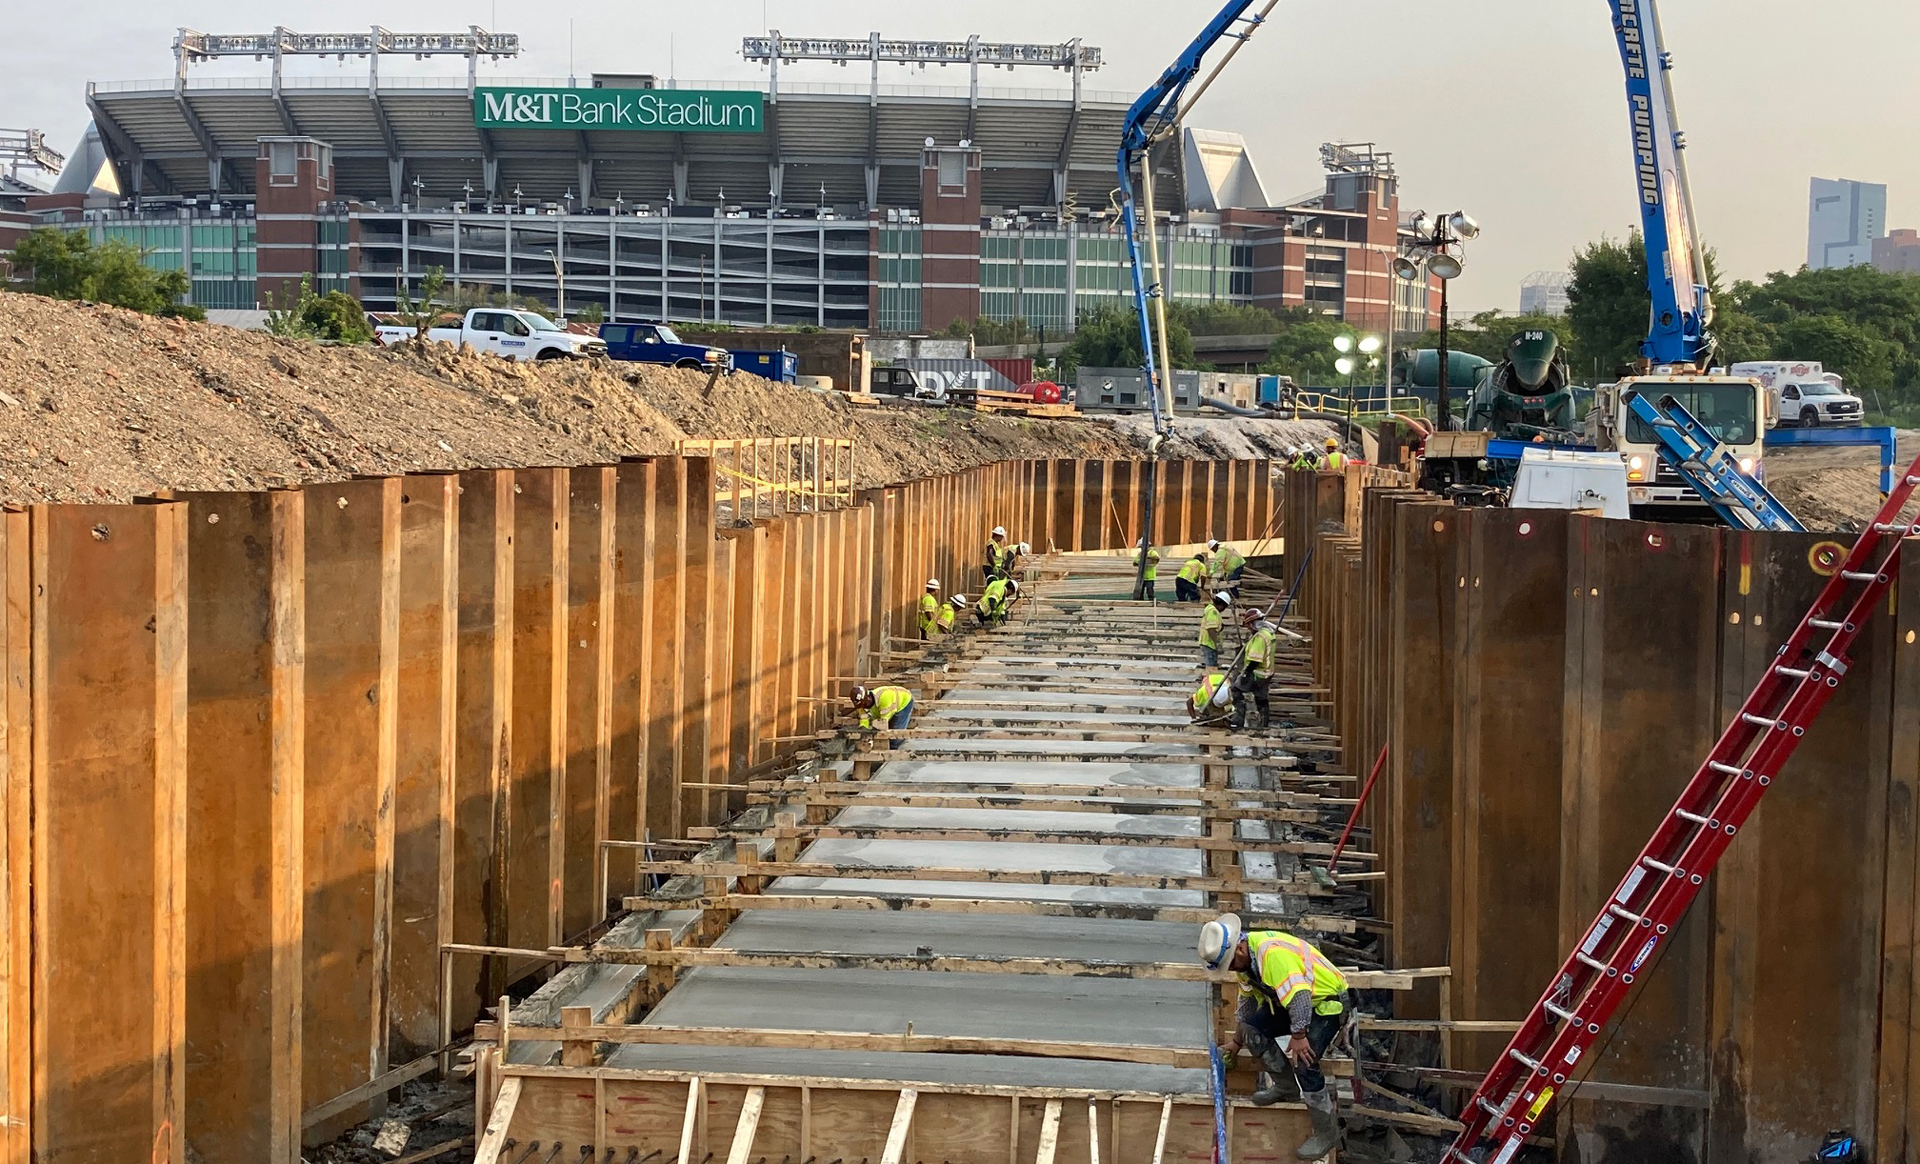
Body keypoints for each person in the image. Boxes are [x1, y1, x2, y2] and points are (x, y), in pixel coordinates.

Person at [1199, 914, 1349, 1158]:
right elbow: (1247, 1008)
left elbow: (1300, 997)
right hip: (1293, 1005)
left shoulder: (1272, 955)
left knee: (1304, 1059)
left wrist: (1299, 1036)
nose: (1232, 969)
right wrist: (1237, 1042)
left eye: (1231, 964)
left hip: (1325, 1005)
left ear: (1238, 947)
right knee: (1252, 1030)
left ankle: (1326, 1131)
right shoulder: (1246, 964)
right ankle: (1285, 1086)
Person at [1232, 618, 1279, 731]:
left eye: (1249, 626)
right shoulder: (1269, 634)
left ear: (1253, 625)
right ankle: (1263, 725)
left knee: (1236, 690)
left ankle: (1238, 722)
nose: (1248, 628)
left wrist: (1246, 674)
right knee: (1261, 699)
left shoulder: (1259, 638)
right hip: (1267, 673)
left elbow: (1255, 659)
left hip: (1257, 673)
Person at [851, 684, 916, 750]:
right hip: (888, 707)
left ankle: (897, 745)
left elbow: (883, 722)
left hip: (904, 701)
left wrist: (873, 734)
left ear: (868, 698)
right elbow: (864, 721)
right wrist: (863, 732)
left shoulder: (884, 699)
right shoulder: (861, 704)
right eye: (860, 706)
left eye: (864, 704)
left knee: (894, 738)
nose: (862, 707)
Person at [1199, 591, 1232, 668]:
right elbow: (1211, 629)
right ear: (1222, 605)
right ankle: (1208, 678)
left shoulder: (1209, 608)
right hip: (1209, 644)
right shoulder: (1213, 611)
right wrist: (1217, 644)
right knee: (1211, 667)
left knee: (1212, 664)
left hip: (1207, 643)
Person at [1135, 537, 1162, 601]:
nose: (1141, 548)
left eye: (1141, 547)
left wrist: (1147, 558)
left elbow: (1156, 558)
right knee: (1140, 590)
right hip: (1142, 576)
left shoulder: (1152, 552)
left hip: (1150, 576)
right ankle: (1140, 601)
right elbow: (1135, 562)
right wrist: (1141, 561)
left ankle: (1152, 600)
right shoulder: (1140, 554)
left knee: (1149, 590)